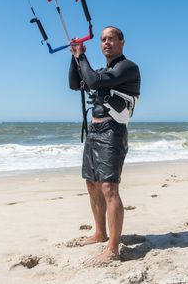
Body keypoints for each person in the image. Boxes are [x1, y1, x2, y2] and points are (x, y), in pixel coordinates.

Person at [69, 26, 141, 265]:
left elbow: (93, 80)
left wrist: (82, 56)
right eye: (102, 39)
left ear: (122, 41)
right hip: (94, 130)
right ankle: (100, 232)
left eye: (111, 38)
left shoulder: (127, 67)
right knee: (92, 184)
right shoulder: (102, 70)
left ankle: (113, 248)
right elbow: (75, 83)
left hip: (113, 131)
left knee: (109, 187)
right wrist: (74, 57)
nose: (106, 43)